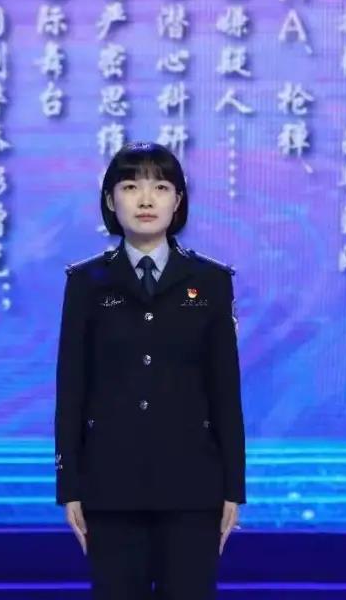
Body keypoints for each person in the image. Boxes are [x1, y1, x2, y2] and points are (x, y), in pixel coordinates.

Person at [54, 142, 246, 600]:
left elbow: (225, 390)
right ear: (109, 200)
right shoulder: (86, 282)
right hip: (110, 485)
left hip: (193, 487)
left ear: (178, 200)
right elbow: (72, 387)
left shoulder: (210, 280)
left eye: (160, 187)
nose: (145, 200)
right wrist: (70, 487)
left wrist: (233, 487)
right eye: (130, 187)